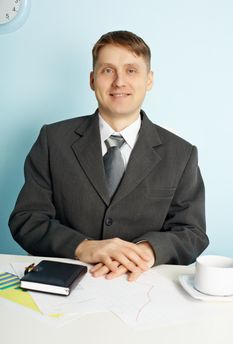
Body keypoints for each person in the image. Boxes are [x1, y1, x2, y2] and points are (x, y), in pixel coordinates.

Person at [9, 30, 209, 282]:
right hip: (66, 284)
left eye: (131, 71)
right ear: (92, 80)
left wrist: (146, 252)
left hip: (142, 285)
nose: (119, 82)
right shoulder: (53, 140)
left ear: (149, 80)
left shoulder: (181, 153)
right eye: (107, 70)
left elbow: (192, 232)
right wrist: (84, 246)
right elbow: (26, 220)